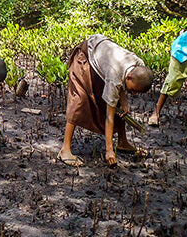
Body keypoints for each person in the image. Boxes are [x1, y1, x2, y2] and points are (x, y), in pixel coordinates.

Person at [58, 34, 154, 167]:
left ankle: (122, 141)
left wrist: (124, 100)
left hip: (103, 59)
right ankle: (65, 150)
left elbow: (124, 85)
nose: (133, 93)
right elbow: (109, 116)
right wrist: (109, 150)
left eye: (136, 92)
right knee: (79, 99)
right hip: (86, 55)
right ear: (129, 77)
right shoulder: (115, 77)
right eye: (133, 90)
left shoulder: (139, 66)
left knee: (119, 105)